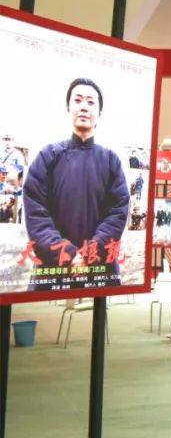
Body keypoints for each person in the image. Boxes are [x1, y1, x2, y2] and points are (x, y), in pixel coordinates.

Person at [23, 78, 130, 289]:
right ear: (68, 108)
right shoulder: (48, 156)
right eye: (78, 100)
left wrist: (88, 255)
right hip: (53, 271)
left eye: (91, 102)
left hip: (99, 271)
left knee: (98, 311)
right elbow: (36, 214)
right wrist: (69, 255)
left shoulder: (111, 161)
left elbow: (117, 214)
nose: (83, 107)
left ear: (99, 113)